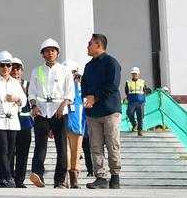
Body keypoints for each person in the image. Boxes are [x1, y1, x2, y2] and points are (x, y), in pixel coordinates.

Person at [28, 38, 74, 188]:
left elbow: (69, 92)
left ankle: (59, 180)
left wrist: (63, 106)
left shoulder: (65, 71)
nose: (50, 53)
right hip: (41, 111)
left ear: (57, 53)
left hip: (59, 111)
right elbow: (32, 92)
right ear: (42, 54)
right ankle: (37, 174)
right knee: (40, 145)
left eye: (53, 51)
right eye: (47, 51)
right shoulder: (37, 71)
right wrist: (34, 106)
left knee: (61, 146)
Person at [82, 33, 122, 189]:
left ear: (98, 45)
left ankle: (115, 176)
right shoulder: (88, 66)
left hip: (110, 110)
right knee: (95, 146)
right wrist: (87, 98)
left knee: (112, 144)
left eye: (90, 44)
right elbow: (84, 85)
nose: (87, 46)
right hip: (93, 113)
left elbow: (112, 85)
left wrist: (95, 97)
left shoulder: (111, 63)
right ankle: (100, 177)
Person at [0, 51, 26, 188]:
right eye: (3, 65)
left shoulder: (15, 82)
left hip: (12, 120)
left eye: (8, 65)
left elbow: (24, 101)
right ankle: (8, 176)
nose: (6, 68)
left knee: (10, 150)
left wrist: (17, 99)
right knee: (2, 148)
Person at [11, 57, 33, 188]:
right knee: (9, 153)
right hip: (10, 124)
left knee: (22, 154)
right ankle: (10, 177)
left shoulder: (27, 85)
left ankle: (19, 180)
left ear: (22, 70)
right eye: (12, 68)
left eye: (18, 68)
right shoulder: (4, 84)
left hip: (25, 124)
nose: (15, 71)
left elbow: (32, 102)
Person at [64, 60, 86, 189]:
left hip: (77, 124)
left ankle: (74, 177)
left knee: (76, 152)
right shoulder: (61, 87)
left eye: (73, 73)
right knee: (65, 152)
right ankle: (65, 177)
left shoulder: (81, 87)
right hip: (63, 123)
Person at [125, 67, 150, 136]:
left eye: (135, 73)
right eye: (133, 73)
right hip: (131, 101)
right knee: (129, 113)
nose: (134, 75)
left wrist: (147, 91)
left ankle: (140, 130)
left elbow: (145, 90)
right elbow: (126, 91)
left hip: (140, 102)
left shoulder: (142, 82)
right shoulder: (128, 82)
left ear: (138, 74)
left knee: (140, 116)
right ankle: (134, 124)